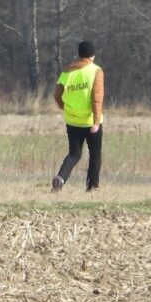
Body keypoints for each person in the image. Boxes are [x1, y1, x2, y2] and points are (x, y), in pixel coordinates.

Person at [51, 40, 104, 192]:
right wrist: (96, 122)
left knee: (74, 154)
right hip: (90, 121)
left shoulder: (68, 71)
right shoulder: (96, 71)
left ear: (79, 54)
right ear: (92, 56)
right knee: (95, 154)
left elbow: (57, 95)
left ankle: (60, 178)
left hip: (72, 120)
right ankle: (92, 187)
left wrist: (66, 108)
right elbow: (97, 98)